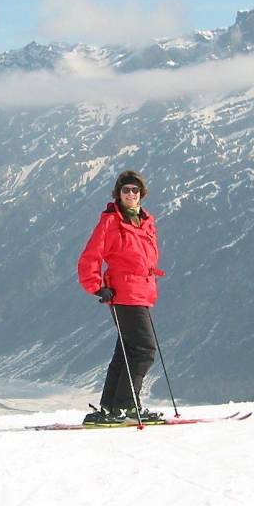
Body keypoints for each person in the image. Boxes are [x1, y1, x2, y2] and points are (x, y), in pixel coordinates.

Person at [77, 170, 165, 425]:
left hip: (142, 292)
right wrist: (96, 286)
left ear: (141, 194)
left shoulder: (146, 222)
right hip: (124, 292)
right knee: (144, 350)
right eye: (125, 190)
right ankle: (126, 406)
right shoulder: (110, 222)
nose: (130, 194)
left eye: (135, 190)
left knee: (127, 350)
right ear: (118, 194)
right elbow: (90, 256)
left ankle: (111, 406)